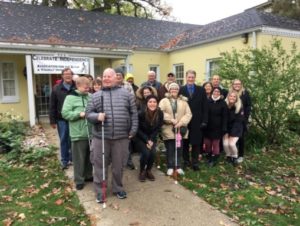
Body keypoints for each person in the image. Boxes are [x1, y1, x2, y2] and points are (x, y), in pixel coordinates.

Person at [86, 68, 138, 201]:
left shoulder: (127, 94)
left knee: (118, 166)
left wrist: (133, 130)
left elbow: (134, 114)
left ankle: (118, 188)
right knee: (100, 165)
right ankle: (100, 191)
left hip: (121, 137)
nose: (106, 78)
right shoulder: (95, 96)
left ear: (116, 78)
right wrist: (97, 116)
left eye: (109, 76)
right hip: (101, 137)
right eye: (104, 76)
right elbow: (88, 114)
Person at [61, 76, 93, 190]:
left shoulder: (90, 96)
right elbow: (65, 113)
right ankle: (79, 179)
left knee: (90, 156)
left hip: (91, 132)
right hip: (78, 133)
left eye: (89, 87)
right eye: (85, 87)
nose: (88, 89)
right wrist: (78, 114)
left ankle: (88, 175)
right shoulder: (70, 98)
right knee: (79, 158)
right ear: (78, 86)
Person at [159, 82, 192, 176]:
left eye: (176, 89)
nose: (174, 90)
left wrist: (181, 122)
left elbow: (188, 113)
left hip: (180, 129)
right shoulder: (164, 101)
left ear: (178, 90)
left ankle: (178, 166)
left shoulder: (184, 101)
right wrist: (171, 120)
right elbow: (160, 112)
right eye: (172, 89)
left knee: (179, 147)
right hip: (168, 128)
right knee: (170, 148)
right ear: (169, 90)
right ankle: (170, 166)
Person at [179, 70, 208, 171]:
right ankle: (186, 161)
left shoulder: (201, 90)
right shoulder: (181, 90)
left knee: (196, 143)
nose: (190, 79)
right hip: (185, 121)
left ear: (195, 78)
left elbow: (205, 106)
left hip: (197, 121)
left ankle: (195, 163)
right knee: (185, 142)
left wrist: (204, 120)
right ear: (186, 77)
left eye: (192, 77)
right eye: (189, 77)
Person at [49, 68, 76, 169]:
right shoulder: (56, 88)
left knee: (73, 139)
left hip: (74, 118)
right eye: (65, 74)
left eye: (69, 74)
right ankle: (64, 160)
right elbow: (52, 105)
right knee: (64, 139)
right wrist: (52, 120)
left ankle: (73, 159)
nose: (68, 76)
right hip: (61, 119)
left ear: (72, 75)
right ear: (62, 76)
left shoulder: (76, 86)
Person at [136, 95, 163, 182]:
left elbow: (158, 128)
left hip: (152, 137)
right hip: (141, 137)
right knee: (146, 153)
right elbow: (138, 129)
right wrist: (147, 140)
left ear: (157, 103)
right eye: (150, 102)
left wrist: (151, 139)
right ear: (147, 103)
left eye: (154, 102)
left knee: (152, 153)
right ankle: (142, 171)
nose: (152, 104)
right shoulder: (141, 114)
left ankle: (148, 170)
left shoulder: (160, 113)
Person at [115, 67, 136, 170]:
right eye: (116, 75)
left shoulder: (128, 86)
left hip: (126, 115)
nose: (118, 76)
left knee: (127, 140)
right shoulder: (112, 86)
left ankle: (128, 160)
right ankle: (117, 161)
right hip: (114, 116)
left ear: (123, 76)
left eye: (120, 75)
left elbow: (132, 99)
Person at [203, 87, 227, 167]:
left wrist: (224, 127)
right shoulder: (207, 101)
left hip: (218, 127)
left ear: (220, 93)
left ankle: (214, 158)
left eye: (218, 92)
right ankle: (209, 156)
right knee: (207, 143)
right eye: (215, 91)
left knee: (215, 143)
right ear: (212, 92)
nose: (216, 93)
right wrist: (204, 123)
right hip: (208, 126)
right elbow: (205, 113)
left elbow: (225, 116)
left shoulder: (223, 103)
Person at [230, 79, 251, 163]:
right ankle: (232, 155)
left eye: (239, 84)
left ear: (241, 84)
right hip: (232, 120)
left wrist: (245, 118)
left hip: (241, 120)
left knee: (241, 138)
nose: (237, 85)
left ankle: (241, 155)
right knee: (232, 138)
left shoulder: (245, 93)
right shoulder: (230, 93)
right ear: (232, 85)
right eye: (235, 84)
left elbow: (248, 106)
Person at [223, 90, 244, 167]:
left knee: (231, 144)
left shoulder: (239, 107)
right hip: (226, 128)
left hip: (236, 128)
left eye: (234, 96)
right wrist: (225, 130)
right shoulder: (224, 105)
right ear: (228, 97)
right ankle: (228, 157)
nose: (232, 97)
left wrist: (232, 134)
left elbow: (239, 121)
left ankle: (234, 157)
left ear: (236, 98)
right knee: (225, 144)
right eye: (230, 96)